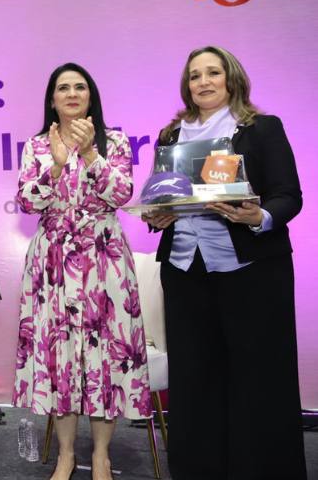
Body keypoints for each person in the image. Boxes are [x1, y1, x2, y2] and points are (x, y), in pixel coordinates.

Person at [144, 46, 306, 480]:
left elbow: (288, 195)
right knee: (195, 379)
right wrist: (157, 217)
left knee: (257, 377)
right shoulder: (170, 136)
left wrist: (262, 216)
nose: (204, 82)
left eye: (213, 72)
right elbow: (165, 199)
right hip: (185, 272)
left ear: (231, 78)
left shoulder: (261, 129)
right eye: (195, 75)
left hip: (252, 271)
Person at [13, 64, 151, 480]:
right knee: (61, 360)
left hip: (104, 262)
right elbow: (27, 202)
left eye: (80, 87)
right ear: (52, 99)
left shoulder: (116, 141)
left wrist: (90, 154)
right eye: (63, 88)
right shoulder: (37, 145)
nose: (72, 93)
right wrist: (55, 167)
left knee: (104, 358)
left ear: (91, 97)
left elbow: (122, 195)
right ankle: (66, 455)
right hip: (52, 264)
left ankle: (102, 456)